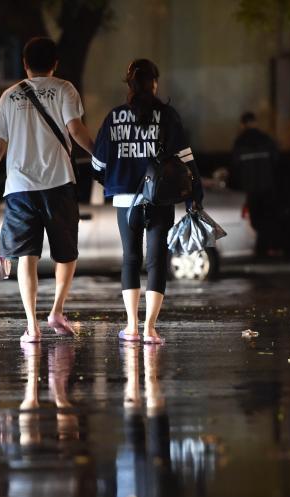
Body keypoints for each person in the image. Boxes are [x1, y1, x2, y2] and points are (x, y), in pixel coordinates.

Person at [0, 37, 95, 343]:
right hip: (59, 184)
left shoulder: (9, 97)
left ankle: (32, 325)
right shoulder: (64, 89)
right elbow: (76, 129)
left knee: (26, 255)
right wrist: (100, 154)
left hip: (19, 189)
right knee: (65, 253)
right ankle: (56, 310)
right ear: (55, 63)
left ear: (24, 64)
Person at [91, 58, 203, 345]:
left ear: (129, 84)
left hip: (125, 201)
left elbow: (97, 165)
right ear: (155, 83)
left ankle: (131, 327)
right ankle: (150, 329)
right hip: (160, 200)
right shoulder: (167, 116)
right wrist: (195, 196)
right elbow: (186, 160)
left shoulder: (114, 116)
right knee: (156, 262)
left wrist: (115, 182)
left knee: (130, 259)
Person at [230, 111, 279, 257]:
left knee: (252, 220)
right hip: (267, 186)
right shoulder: (267, 140)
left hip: (249, 189)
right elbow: (276, 161)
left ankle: (256, 250)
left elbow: (235, 166)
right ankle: (269, 248)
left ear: (242, 124)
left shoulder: (239, 142)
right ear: (255, 122)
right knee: (268, 219)